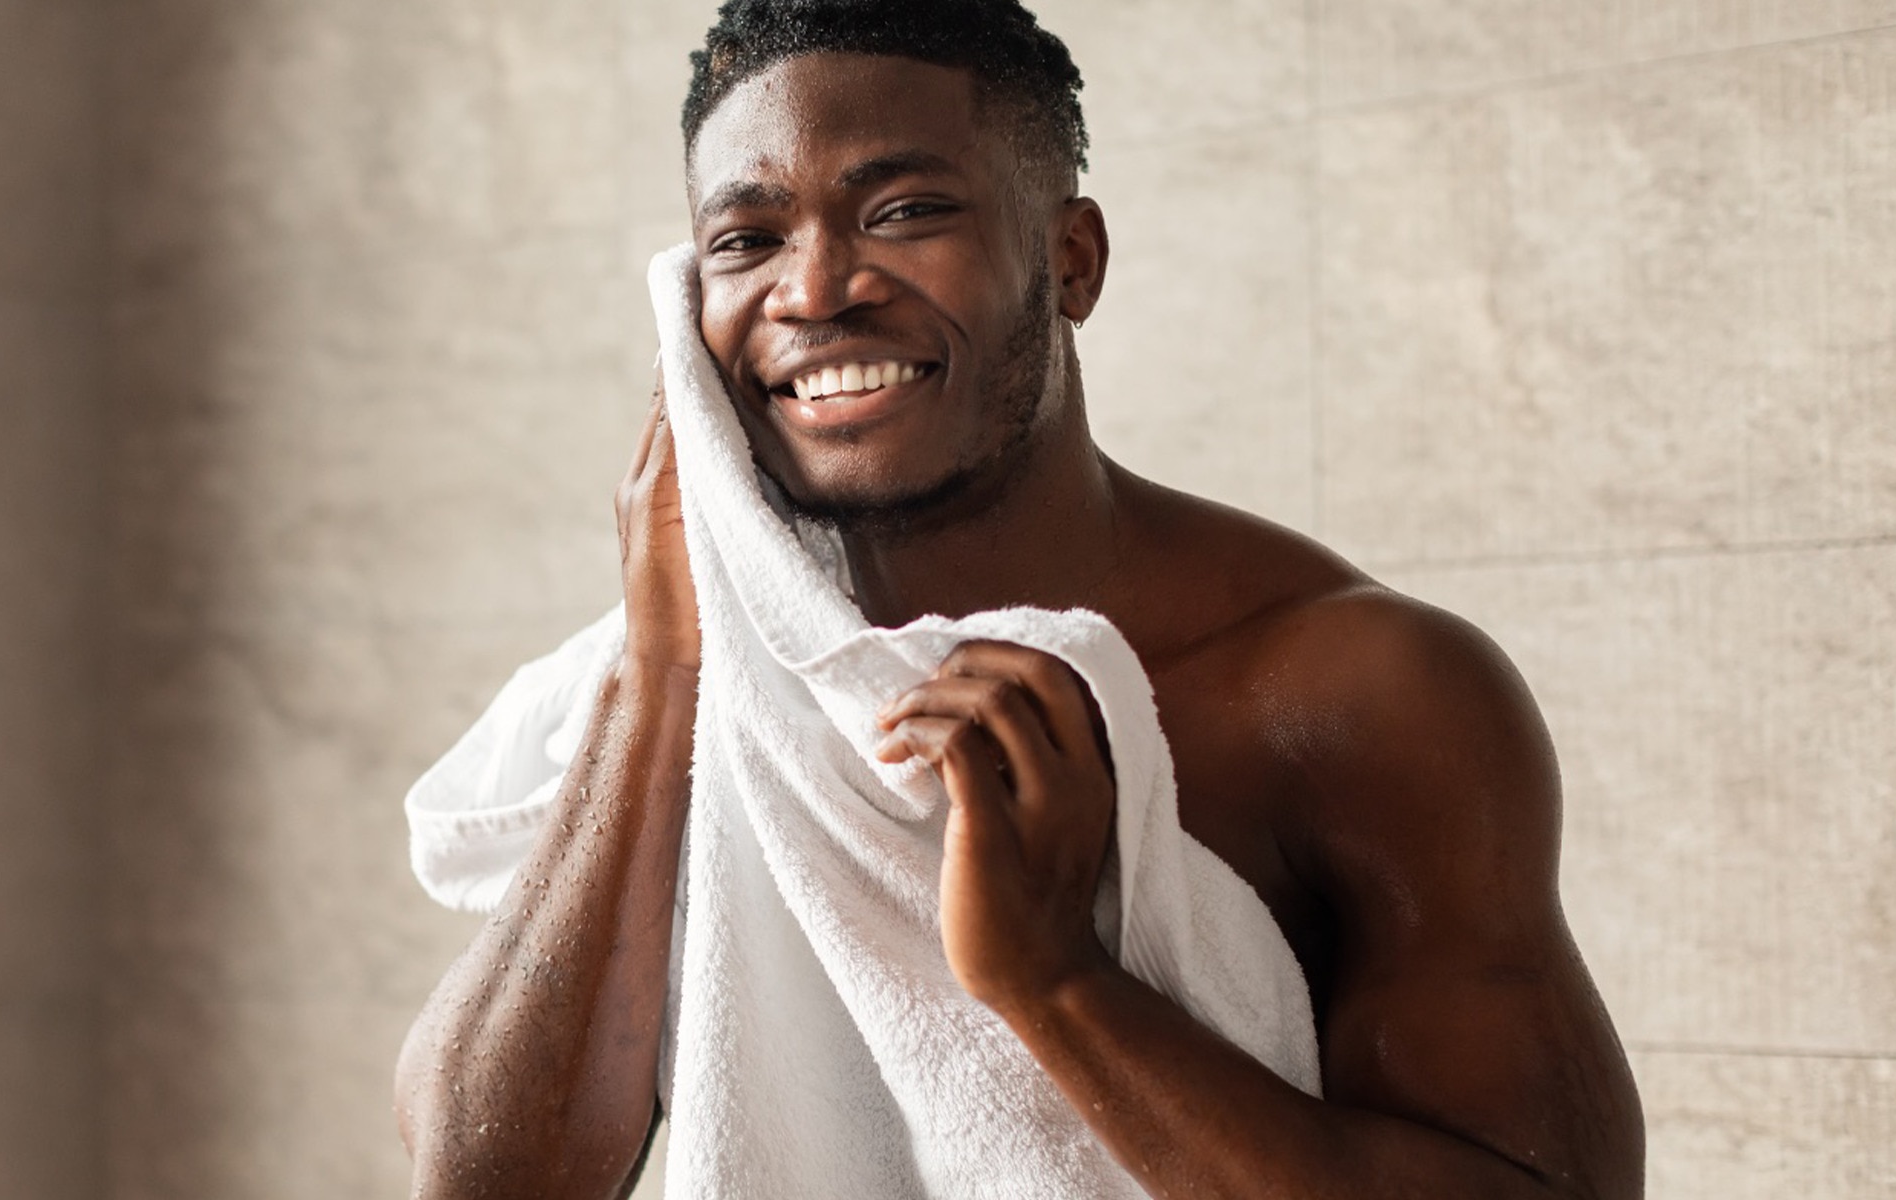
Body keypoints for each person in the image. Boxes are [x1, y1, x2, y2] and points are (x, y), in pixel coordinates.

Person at [394, 1, 1646, 1196]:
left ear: (1071, 260)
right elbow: (476, 1182)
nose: (815, 290)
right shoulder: (701, 693)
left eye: (904, 212)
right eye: (747, 241)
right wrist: (663, 669)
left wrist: (1059, 987)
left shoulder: (1347, 690)